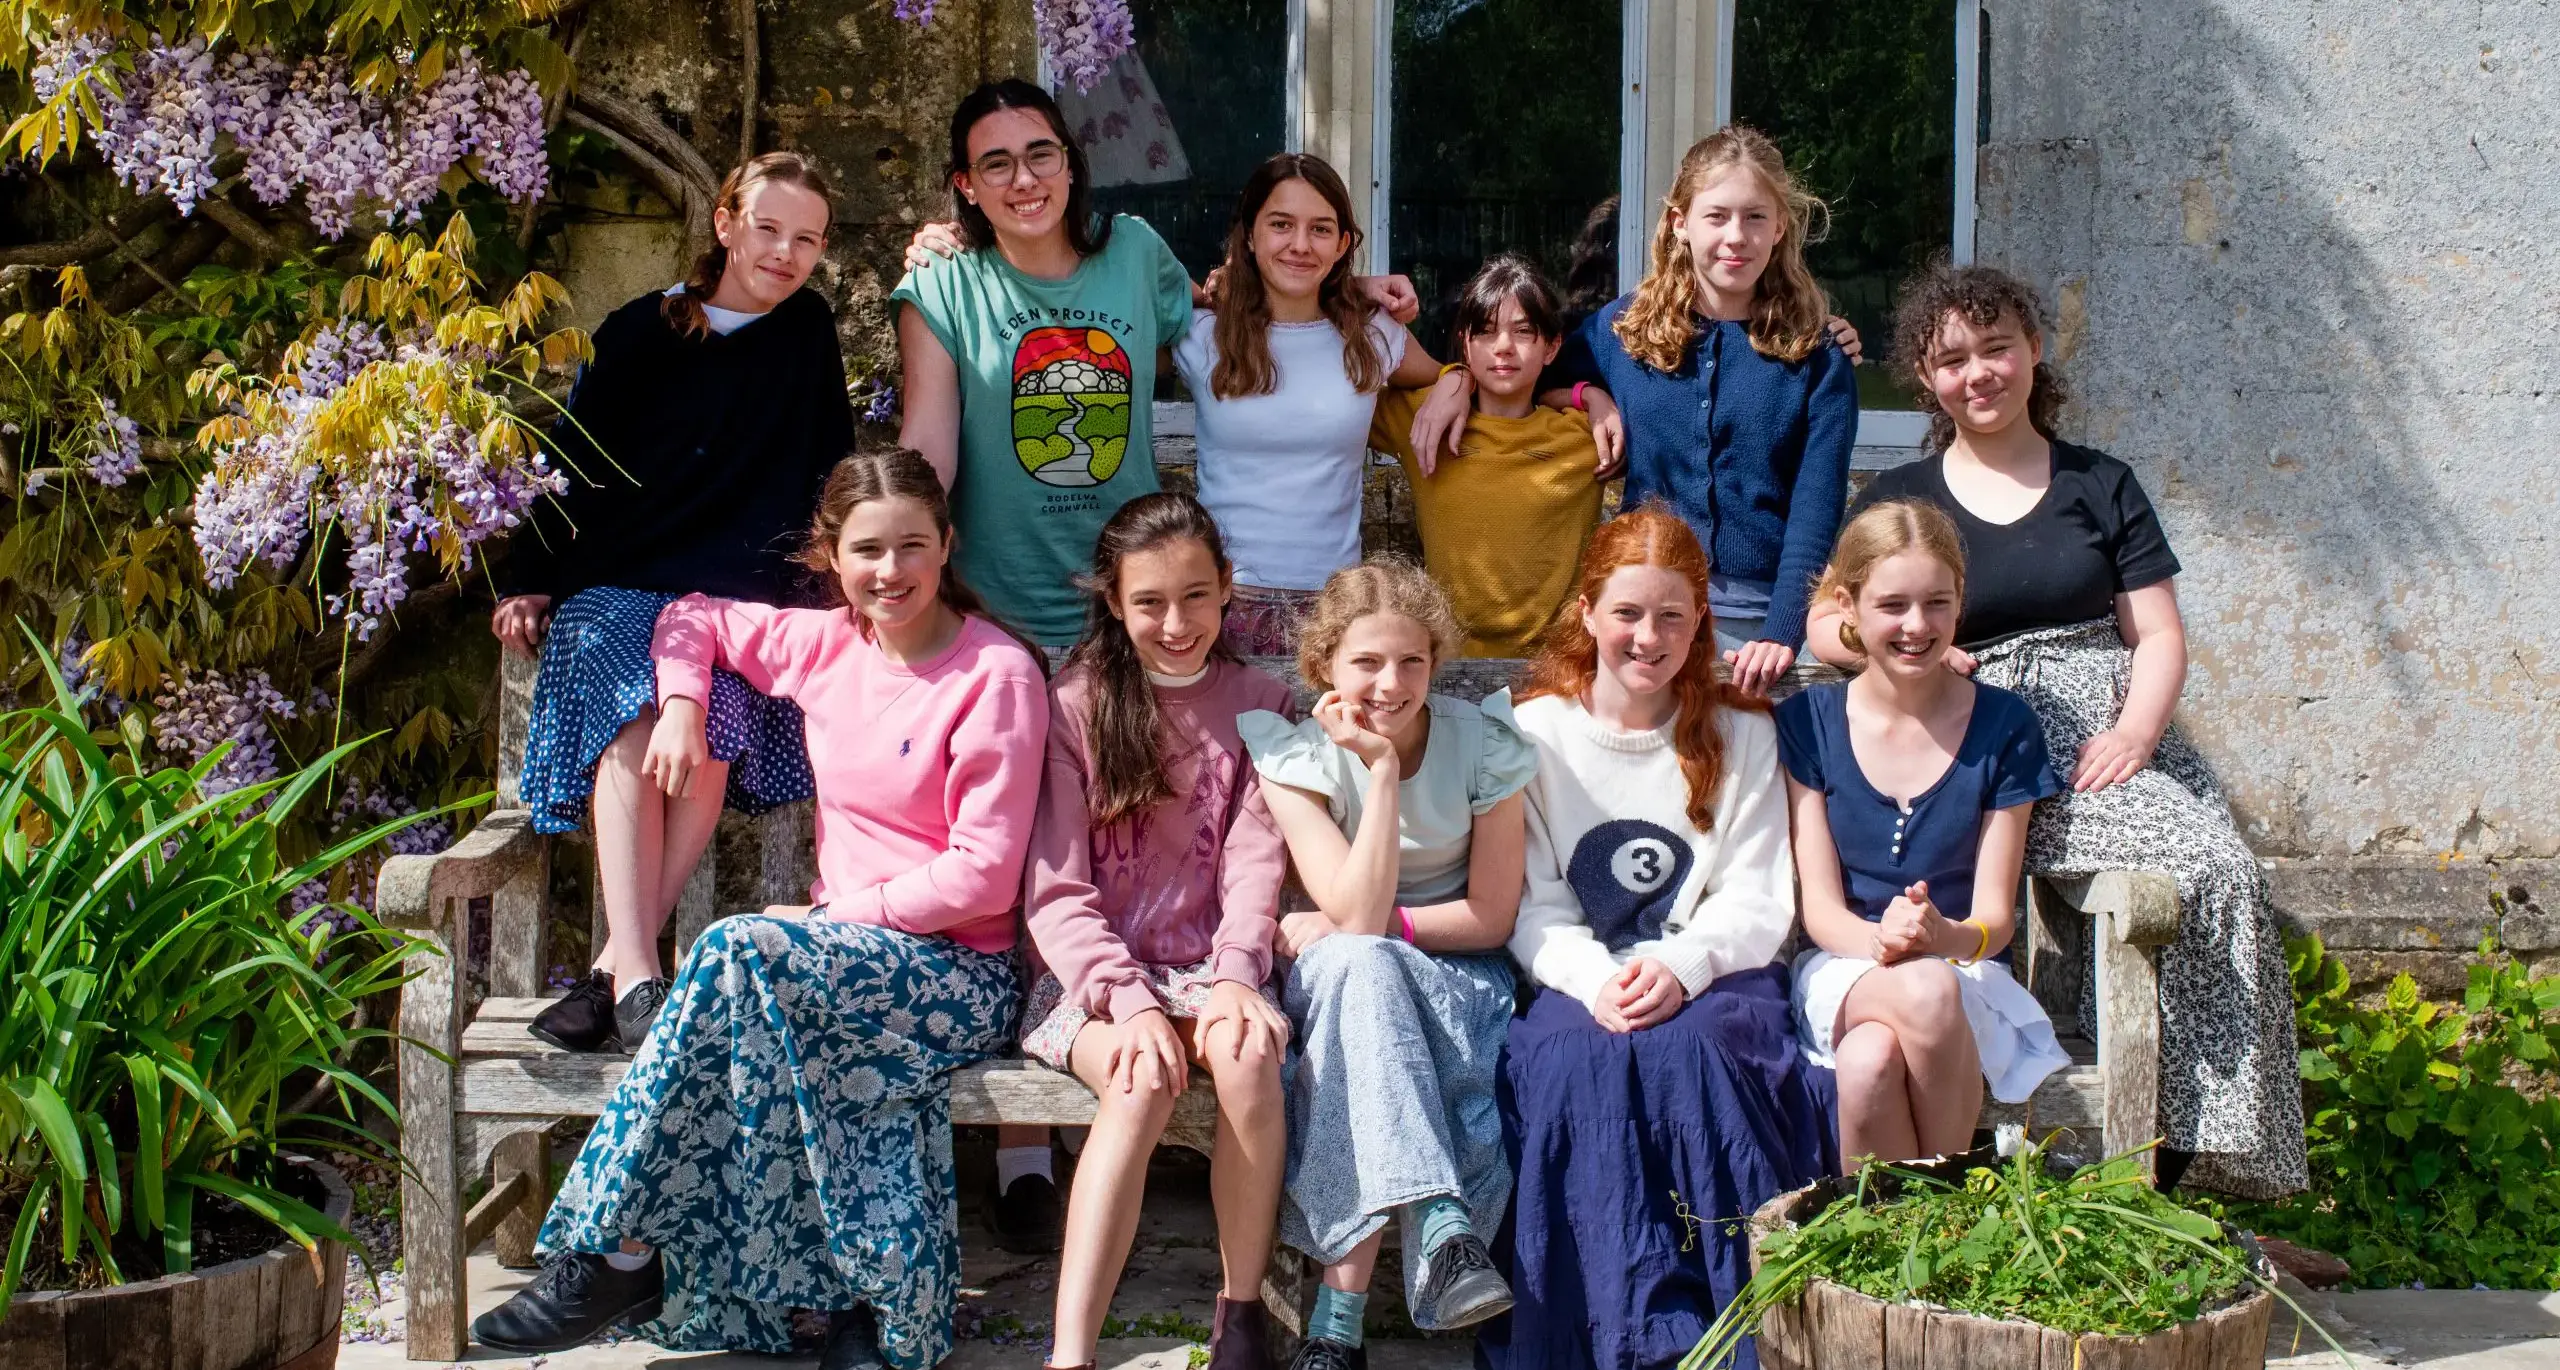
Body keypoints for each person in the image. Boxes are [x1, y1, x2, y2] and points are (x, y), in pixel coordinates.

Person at [468, 449, 1050, 1370]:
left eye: (910, 547)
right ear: (830, 557)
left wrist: (837, 918)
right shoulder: (824, 647)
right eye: (866, 550)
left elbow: (982, 877)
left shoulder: (997, 676)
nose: (889, 572)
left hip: (955, 976)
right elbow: (689, 618)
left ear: (947, 544)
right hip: (832, 971)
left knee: (739, 950)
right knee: (775, 1002)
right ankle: (864, 1306)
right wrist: (681, 709)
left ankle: (620, 1252)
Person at [1803, 262, 2306, 1198]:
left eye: (1997, 348)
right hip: (1974, 733)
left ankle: (2212, 1154)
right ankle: (2086, 1162)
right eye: (1953, 358)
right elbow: (1829, 621)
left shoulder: (2099, 484)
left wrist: (2136, 736)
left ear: (2034, 352)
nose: (1979, 372)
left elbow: (2156, 633)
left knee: (2221, 872)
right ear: (1926, 374)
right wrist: (1916, 657)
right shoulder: (1901, 493)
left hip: (2100, 740)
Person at [497, 152, 850, 1055]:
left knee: (717, 711)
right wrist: (527, 574)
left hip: (733, 592)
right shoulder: (642, 329)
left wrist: (832, 588)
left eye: (806, 239)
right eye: (767, 229)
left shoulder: (808, 333)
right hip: (620, 579)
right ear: (726, 222)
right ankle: (643, 966)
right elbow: (569, 459)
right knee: (637, 704)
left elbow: (830, 467)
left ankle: (614, 974)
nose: (784, 252)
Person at [1483, 504, 1832, 1370]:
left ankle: (1734, 1334)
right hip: (1580, 977)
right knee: (1568, 1063)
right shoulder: (1533, 734)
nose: (1649, 636)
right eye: (1629, 613)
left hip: (1716, 975)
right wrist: (1593, 978)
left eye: (1673, 616)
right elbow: (1531, 905)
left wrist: (1681, 965)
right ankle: (1589, 1340)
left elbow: (1757, 898)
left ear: (1700, 621)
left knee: (1698, 1058)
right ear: (1589, 613)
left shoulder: (1742, 733)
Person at [894, 84, 1421, 653]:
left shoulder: (1135, 253)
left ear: (1070, 163)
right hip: (995, 605)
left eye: (1041, 154)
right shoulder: (943, 281)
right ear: (966, 184)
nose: (1024, 180)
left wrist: (1345, 286)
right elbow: (927, 451)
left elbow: (1230, 305)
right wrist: (892, 562)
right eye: (996, 165)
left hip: (1135, 602)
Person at [1413, 126, 1859, 694]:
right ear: (1680, 224)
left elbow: (1815, 508)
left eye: (1755, 217)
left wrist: (1782, 631)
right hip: (1644, 617)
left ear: (1780, 229)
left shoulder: (1816, 355)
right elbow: (1524, 370)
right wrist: (1471, 381)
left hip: (1761, 625)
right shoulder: (1624, 332)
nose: (1736, 236)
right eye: (1717, 216)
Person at [1019, 493, 1294, 1370]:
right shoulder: (1075, 705)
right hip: (1090, 980)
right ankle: (1073, 1352)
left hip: (1215, 968)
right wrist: (1128, 1002)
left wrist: (1237, 979)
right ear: (1112, 599)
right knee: (1140, 1082)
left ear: (1227, 591)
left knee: (1248, 1057)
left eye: (1196, 597)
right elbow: (1055, 891)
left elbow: (1257, 867)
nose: (1175, 624)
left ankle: (1241, 1310)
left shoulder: (1261, 703)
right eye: (1149, 602)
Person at [1238, 562, 1535, 1370]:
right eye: (1367, 662)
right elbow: (1357, 916)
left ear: (1435, 663)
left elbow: (1491, 916)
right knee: (1360, 974)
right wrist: (1376, 768)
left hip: (1458, 979)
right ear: (1326, 667)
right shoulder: (1299, 760)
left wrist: (1371, 929)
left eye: (1411, 661)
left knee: (1362, 969)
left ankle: (1337, 1329)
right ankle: (1442, 1221)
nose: (1391, 683)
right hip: (1342, 986)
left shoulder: (1484, 742)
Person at [1778, 499, 2071, 1169]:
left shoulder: (2004, 727)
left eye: (1936, 603)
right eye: (1892, 605)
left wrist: (1943, 937)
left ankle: (1889, 1245)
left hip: (1963, 971)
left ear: (1960, 602)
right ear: (1848, 606)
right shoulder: (1811, 723)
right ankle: (1957, 1216)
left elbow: (1995, 920)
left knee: (1869, 1060)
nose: (1917, 626)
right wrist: (1880, 940)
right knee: (1919, 992)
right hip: (1844, 965)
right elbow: (1821, 908)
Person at [1170, 153, 1447, 655]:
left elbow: (1456, 373)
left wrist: (1459, 383)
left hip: (1335, 606)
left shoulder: (1373, 336)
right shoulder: (1200, 333)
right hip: (1221, 603)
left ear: (1343, 244)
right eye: (1280, 225)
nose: (1300, 244)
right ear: (1250, 236)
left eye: (1320, 229)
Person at [1365, 256, 1610, 658]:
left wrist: (1588, 395)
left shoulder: (1585, 434)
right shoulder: (1426, 416)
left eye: (1523, 332)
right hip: (1446, 666)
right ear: (1465, 342)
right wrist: (1454, 375)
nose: (1502, 347)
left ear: (1552, 346)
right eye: (1485, 331)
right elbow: (1331, 370)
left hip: (1556, 669)